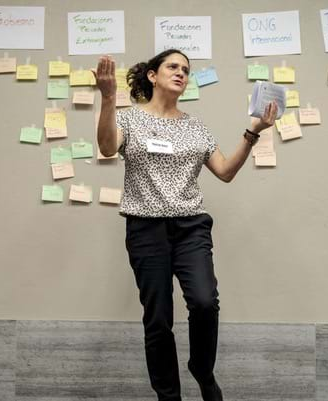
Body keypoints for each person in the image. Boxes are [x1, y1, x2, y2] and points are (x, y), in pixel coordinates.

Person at [93, 49, 277, 401]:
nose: (181, 73)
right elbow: (105, 147)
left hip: (191, 227)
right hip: (146, 229)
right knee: (159, 317)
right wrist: (107, 97)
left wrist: (253, 132)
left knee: (205, 302)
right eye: (173, 67)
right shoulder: (130, 119)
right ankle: (168, 395)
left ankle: (202, 370)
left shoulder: (196, 126)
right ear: (152, 75)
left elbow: (224, 172)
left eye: (186, 70)